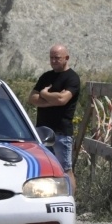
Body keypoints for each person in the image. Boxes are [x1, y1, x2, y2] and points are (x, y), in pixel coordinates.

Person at [28, 44, 81, 193]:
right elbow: (32, 98)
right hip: (42, 132)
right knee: (44, 170)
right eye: (51, 58)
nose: (53, 61)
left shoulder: (72, 78)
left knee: (65, 169)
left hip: (61, 132)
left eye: (57, 58)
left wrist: (44, 94)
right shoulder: (46, 77)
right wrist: (53, 99)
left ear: (66, 58)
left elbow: (63, 99)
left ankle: (69, 199)